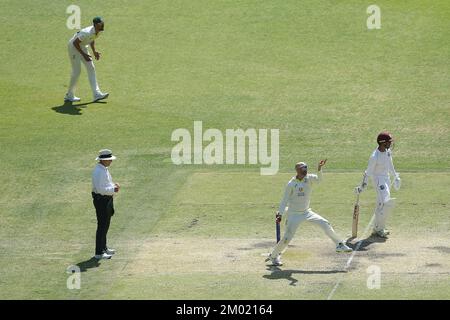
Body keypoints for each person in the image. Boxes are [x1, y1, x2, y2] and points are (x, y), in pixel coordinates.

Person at [267, 160, 352, 266]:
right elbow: (284, 200)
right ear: (297, 170)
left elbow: (319, 180)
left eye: (306, 169)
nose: (305, 171)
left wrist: (319, 169)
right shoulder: (291, 184)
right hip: (294, 215)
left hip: (307, 212)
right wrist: (280, 214)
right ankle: (273, 256)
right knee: (286, 239)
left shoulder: (309, 178)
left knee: (325, 223)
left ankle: (339, 244)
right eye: (302, 169)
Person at [355, 131, 401, 238]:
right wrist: (362, 187)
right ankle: (379, 229)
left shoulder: (387, 151)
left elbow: (390, 164)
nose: (390, 144)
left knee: (380, 204)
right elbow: (368, 172)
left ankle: (377, 228)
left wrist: (395, 176)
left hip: (387, 179)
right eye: (389, 142)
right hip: (379, 181)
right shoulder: (374, 157)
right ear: (382, 143)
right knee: (385, 203)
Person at [64, 16, 109, 102]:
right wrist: (84, 54)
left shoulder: (99, 31)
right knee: (77, 71)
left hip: (82, 46)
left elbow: (92, 39)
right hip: (73, 47)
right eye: (100, 24)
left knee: (91, 67)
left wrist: (94, 51)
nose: (102, 25)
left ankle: (96, 94)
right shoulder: (86, 32)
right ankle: (69, 95)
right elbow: (75, 42)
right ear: (95, 25)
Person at [92, 149, 120, 259]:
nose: (111, 161)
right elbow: (101, 189)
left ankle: (104, 248)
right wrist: (114, 189)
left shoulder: (103, 169)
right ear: (103, 160)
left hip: (106, 200)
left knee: (105, 224)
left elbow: (106, 184)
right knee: (102, 225)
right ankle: (99, 252)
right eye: (109, 159)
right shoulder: (99, 171)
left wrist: (113, 186)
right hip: (101, 200)